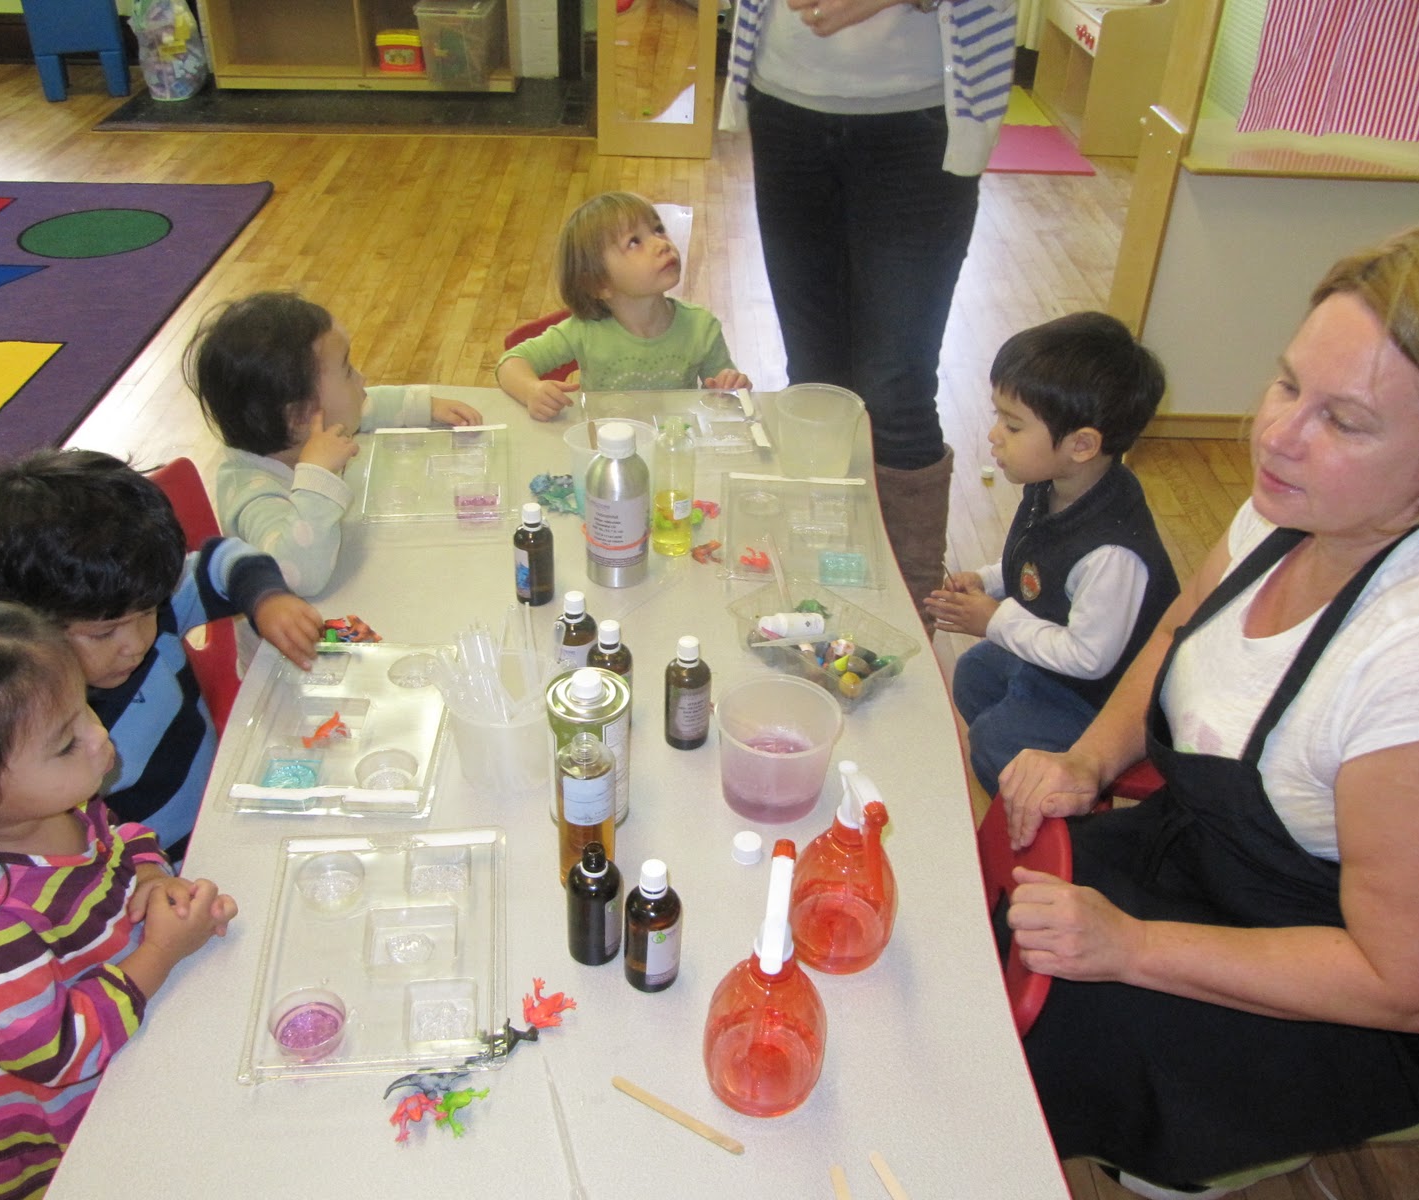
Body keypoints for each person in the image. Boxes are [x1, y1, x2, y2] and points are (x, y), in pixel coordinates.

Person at [997, 223, 1419, 1198]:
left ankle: (1187, 1153)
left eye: (1343, 420)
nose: (1277, 434)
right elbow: (1180, 631)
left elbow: (1409, 986)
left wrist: (1131, 949)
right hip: (1206, 858)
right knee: (984, 927)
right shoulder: (1289, 501)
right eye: (1287, 382)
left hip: (1342, 993)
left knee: (1041, 1046)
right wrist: (1086, 762)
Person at [0, 591, 238, 1199]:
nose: (100, 739)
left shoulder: (60, 807)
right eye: (66, 742)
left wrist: (152, 879)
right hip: (73, 1141)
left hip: (139, 1045)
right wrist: (160, 952)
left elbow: (124, 839)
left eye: (85, 711)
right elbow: (60, 1053)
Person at [719, 0, 1018, 621]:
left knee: (895, 390)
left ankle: (907, 623)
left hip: (917, 115)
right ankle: (818, 611)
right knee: (816, 383)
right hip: (786, 103)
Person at [0, 448, 323, 866]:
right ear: (24, 633)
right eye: (104, 633)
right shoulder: (47, 738)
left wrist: (266, 598)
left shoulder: (131, 602)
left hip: (230, 807)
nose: (137, 642)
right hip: (166, 870)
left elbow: (221, 561)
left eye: (147, 613)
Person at [926, 312, 1177, 797]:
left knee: (993, 741)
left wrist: (995, 619)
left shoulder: (1112, 554)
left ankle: (1047, 798)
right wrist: (988, 580)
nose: (995, 434)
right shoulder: (1055, 484)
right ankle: (1026, 751)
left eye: (1014, 425)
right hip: (1059, 663)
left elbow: (1087, 658)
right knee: (975, 674)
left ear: (1082, 445)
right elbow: (1037, 559)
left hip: (1103, 698)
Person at [184, 291, 485, 597]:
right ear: (300, 415)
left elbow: (364, 406)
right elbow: (300, 576)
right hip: (294, 639)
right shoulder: (251, 494)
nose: (362, 378)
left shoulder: (306, 429)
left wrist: (425, 406)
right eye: (347, 370)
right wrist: (317, 476)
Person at [496, 191, 752, 421]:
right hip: (606, 453)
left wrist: (729, 387)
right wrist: (532, 390)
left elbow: (725, 391)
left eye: (658, 229)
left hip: (672, 449)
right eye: (634, 242)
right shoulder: (584, 331)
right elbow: (510, 363)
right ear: (599, 283)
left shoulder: (701, 327)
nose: (661, 243)